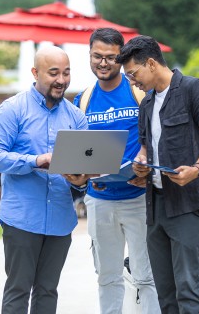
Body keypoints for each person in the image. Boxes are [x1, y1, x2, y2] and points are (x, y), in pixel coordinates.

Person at [116, 35, 199, 314]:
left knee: (189, 292)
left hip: (188, 204)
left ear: (151, 63)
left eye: (133, 73)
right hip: (156, 206)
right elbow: (145, 147)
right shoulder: (147, 104)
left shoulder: (194, 89)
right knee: (165, 294)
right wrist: (140, 163)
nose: (133, 81)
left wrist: (197, 169)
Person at [0, 46, 90, 314]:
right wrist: (35, 161)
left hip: (60, 218)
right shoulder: (13, 109)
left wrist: (80, 180)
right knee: (18, 289)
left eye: (66, 73)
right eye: (53, 73)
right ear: (35, 72)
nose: (61, 80)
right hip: (22, 218)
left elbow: (82, 172)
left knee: (48, 290)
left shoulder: (76, 116)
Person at [73, 28, 160, 314]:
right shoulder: (82, 101)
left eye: (111, 57)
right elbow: (78, 152)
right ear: (89, 55)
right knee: (107, 277)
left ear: (121, 58)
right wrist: (77, 172)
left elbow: (157, 137)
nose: (103, 63)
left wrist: (146, 165)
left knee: (146, 277)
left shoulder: (137, 91)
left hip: (136, 197)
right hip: (99, 199)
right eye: (97, 56)